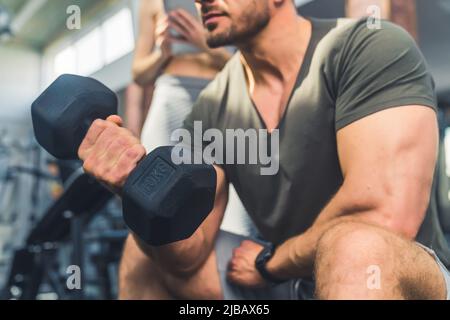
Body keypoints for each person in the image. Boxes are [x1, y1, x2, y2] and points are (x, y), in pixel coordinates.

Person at [79, 0, 450, 299]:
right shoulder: (211, 109)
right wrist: (140, 191)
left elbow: (385, 215)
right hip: (287, 277)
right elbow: (187, 257)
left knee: (357, 248)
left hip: (392, 275)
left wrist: (270, 263)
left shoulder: (368, 47)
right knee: (142, 255)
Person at [120, 0, 253, 299]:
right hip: (170, 96)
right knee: (153, 211)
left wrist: (206, 45)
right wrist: (161, 53)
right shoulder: (152, 4)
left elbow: (256, 64)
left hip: (223, 98)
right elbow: (139, 74)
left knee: (233, 222)